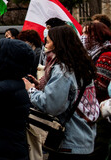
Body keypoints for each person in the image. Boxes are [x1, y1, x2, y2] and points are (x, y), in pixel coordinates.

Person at [24, 25, 97, 158]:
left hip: (69, 141)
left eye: (48, 41)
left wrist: (31, 90)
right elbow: (70, 96)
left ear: (58, 44)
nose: (45, 45)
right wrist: (43, 87)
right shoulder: (81, 65)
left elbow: (51, 105)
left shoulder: (62, 70)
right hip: (85, 137)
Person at [81, 21, 111, 160]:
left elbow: (99, 86)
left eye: (87, 33)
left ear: (97, 36)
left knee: (99, 148)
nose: (83, 37)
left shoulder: (105, 55)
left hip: (102, 112)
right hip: (95, 109)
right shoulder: (92, 54)